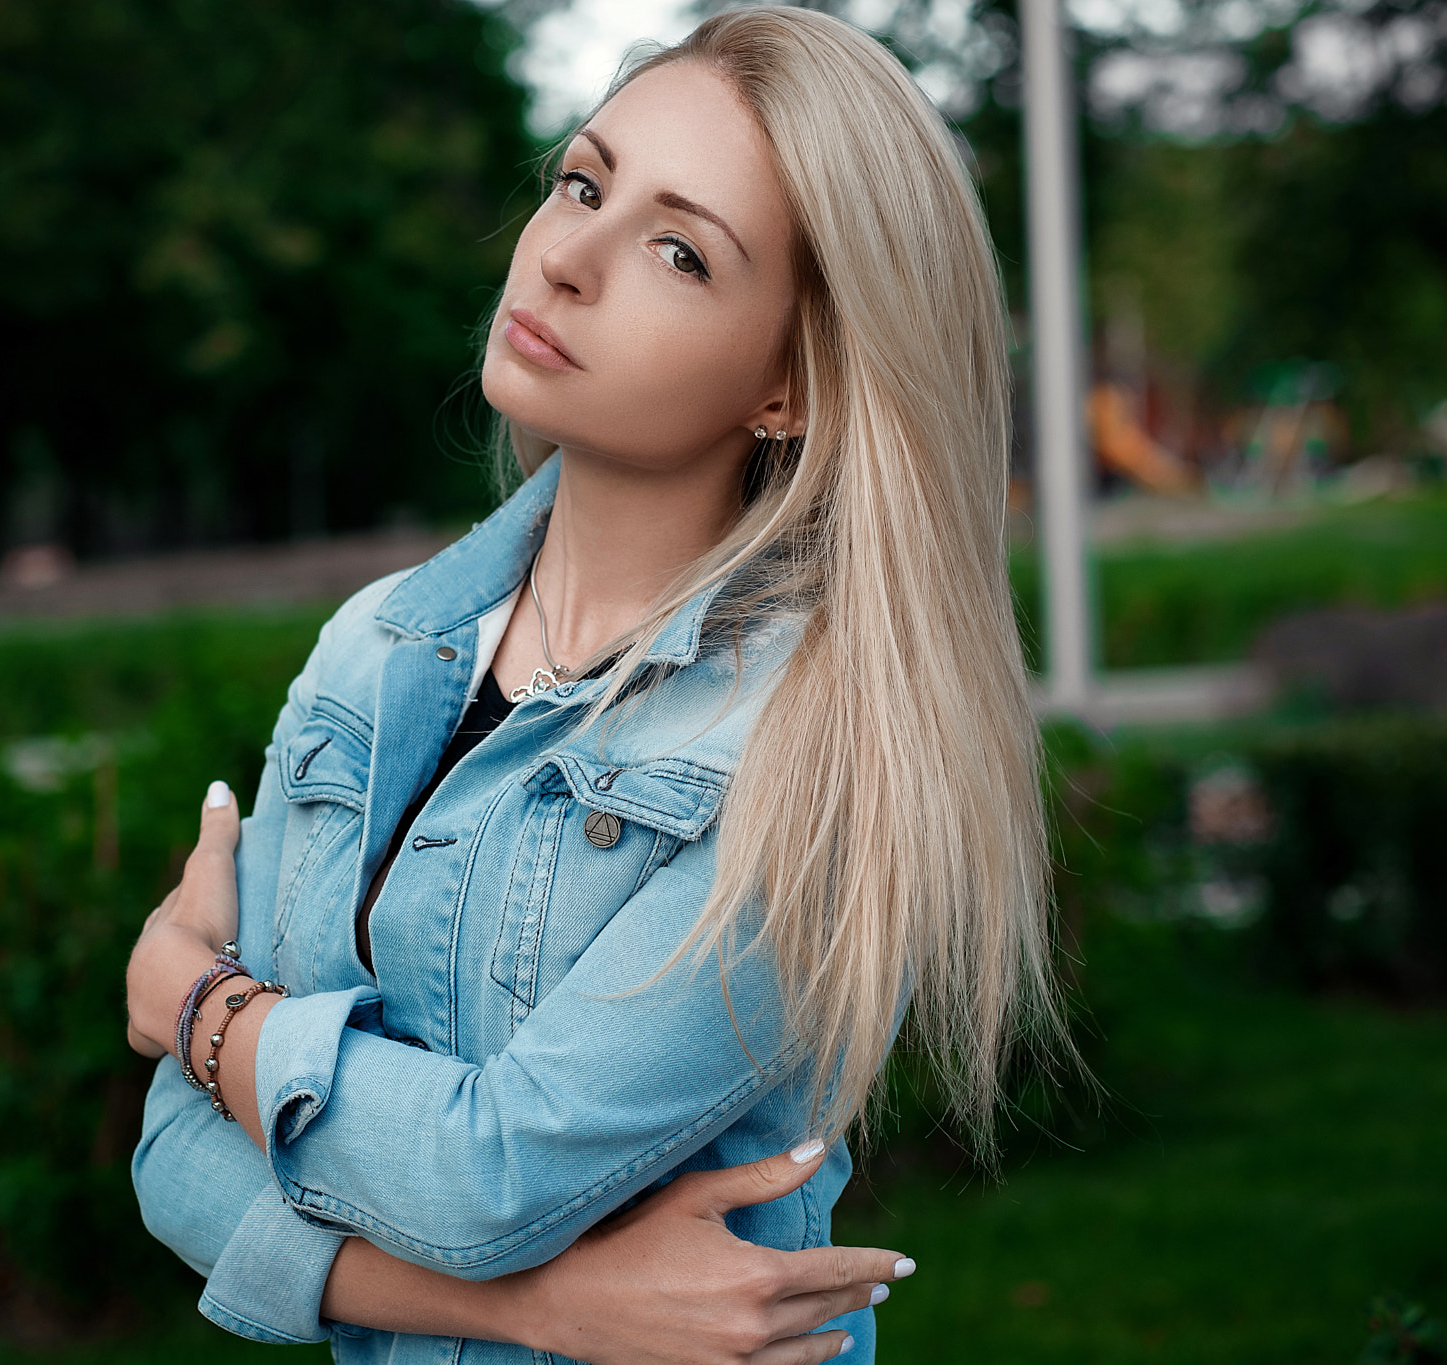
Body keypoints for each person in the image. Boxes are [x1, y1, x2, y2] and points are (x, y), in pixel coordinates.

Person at [125, 9, 1064, 1363]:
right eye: (582, 183)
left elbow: (489, 1177)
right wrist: (547, 1305)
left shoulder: (821, 752)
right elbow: (173, 1163)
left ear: (789, 387)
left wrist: (204, 1012)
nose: (566, 258)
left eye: (678, 251)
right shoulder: (378, 652)